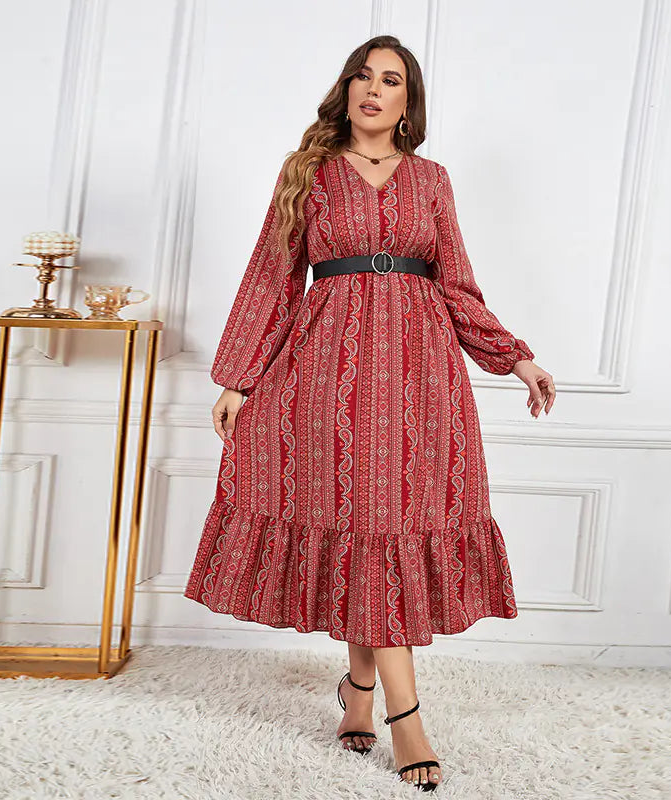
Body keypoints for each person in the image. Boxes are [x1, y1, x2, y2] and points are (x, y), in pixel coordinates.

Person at [184, 34, 556, 791]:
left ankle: (359, 690)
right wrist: (239, 379)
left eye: (390, 79)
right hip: (327, 373)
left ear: (408, 101)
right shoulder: (309, 172)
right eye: (362, 76)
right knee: (362, 526)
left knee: (385, 526)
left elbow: (457, 285)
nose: (373, 89)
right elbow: (272, 277)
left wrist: (514, 355)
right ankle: (405, 716)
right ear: (345, 90)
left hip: (420, 377)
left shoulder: (431, 179)